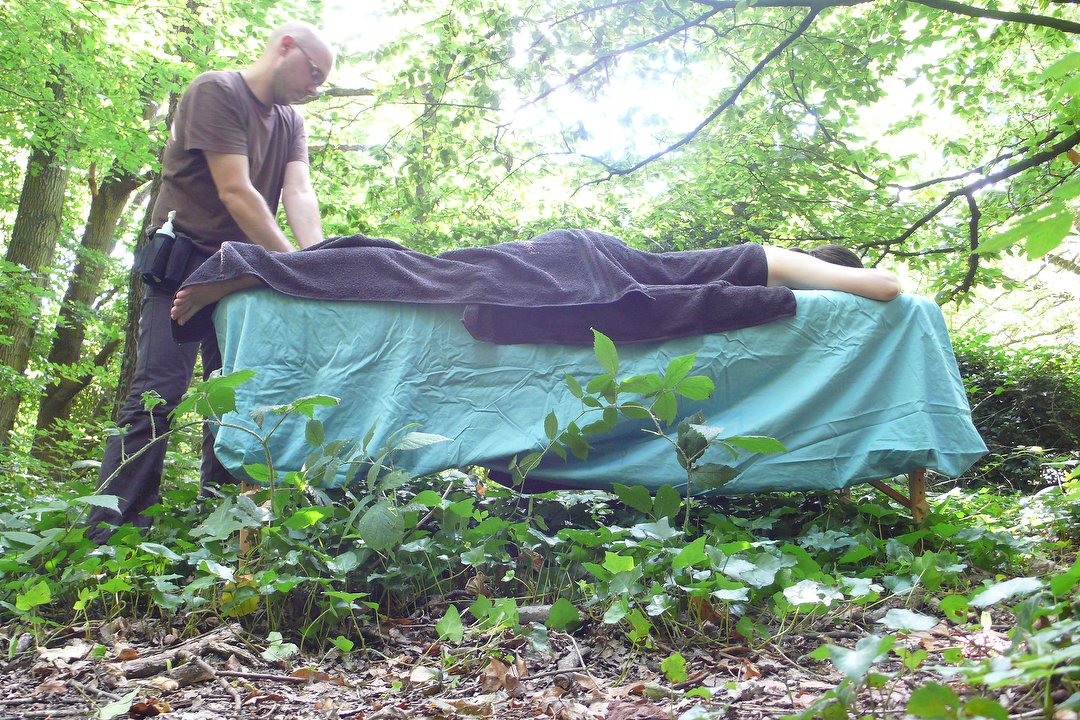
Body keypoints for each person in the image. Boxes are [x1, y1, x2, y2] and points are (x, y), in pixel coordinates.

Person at [88, 21, 336, 543]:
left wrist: (315, 264)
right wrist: (293, 268)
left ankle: (220, 528)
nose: (315, 89)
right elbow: (236, 191)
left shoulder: (290, 121)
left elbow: (300, 193)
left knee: (234, 401)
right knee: (156, 395)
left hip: (242, 274)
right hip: (183, 265)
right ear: (285, 48)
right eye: (313, 73)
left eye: (323, 83)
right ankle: (111, 534)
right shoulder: (216, 91)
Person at [168, 240, 900, 328]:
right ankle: (244, 265)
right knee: (411, 270)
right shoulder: (765, 255)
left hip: (581, 264)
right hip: (578, 265)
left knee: (402, 259)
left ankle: (253, 267)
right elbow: (887, 288)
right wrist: (836, 281)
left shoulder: (731, 265)